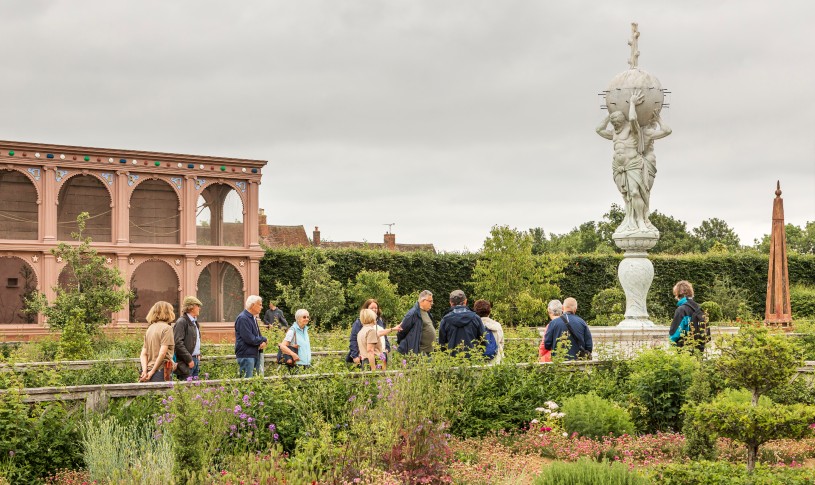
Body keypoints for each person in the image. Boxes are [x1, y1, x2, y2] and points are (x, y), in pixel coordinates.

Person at [596, 90, 662, 235]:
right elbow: (599, 129)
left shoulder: (633, 129)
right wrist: (610, 112)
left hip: (633, 164)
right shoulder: (614, 132)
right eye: (613, 123)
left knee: (634, 192)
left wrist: (632, 103)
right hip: (618, 166)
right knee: (626, 196)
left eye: (616, 122)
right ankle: (629, 218)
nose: (615, 124)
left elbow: (633, 118)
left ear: (622, 120)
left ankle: (640, 220)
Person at [438, 290, 486, 356]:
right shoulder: (476, 318)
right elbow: (484, 340)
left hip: (452, 361)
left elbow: (441, 344)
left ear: (451, 303)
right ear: (465, 301)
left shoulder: (445, 320)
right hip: (473, 360)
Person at [347, 299, 393, 365]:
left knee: (382, 374)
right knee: (369, 372)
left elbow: (383, 335)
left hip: (380, 353)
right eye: (372, 308)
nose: (374, 310)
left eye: (376, 308)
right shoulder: (360, 322)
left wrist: (387, 348)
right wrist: (355, 355)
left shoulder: (379, 321)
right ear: (366, 309)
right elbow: (353, 339)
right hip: (366, 355)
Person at [139, 301, 176, 382]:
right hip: (161, 371)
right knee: (162, 394)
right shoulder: (167, 328)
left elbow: (143, 354)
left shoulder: (150, 328)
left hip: (147, 370)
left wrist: (145, 371)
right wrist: (152, 372)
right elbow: (162, 353)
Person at [669, 280, 709, 352]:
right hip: (699, 348)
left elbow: (675, 333)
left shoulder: (682, 309)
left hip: (685, 349)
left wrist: (671, 343)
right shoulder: (699, 308)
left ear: (678, 294)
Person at [235, 295, 268, 378]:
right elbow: (250, 339)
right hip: (246, 355)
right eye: (260, 305)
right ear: (253, 305)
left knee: (256, 382)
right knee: (247, 384)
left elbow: (257, 336)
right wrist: (264, 339)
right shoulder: (243, 318)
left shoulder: (252, 318)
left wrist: (263, 342)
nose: (262, 307)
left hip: (254, 354)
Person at [396, 290, 435, 355]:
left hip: (429, 353)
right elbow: (401, 331)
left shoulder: (427, 313)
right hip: (419, 353)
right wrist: (406, 345)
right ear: (423, 301)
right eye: (430, 301)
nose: (432, 303)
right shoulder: (413, 314)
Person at [173, 296, 203, 380]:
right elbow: (178, 343)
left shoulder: (194, 322)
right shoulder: (182, 322)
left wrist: (198, 355)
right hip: (186, 363)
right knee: (186, 390)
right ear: (191, 307)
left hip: (195, 360)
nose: (199, 308)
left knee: (195, 391)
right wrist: (189, 359)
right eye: (198, 306)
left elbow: (195, 341)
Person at [473, 299, 504, 364]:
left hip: (478, 362)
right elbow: (501, 343)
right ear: (489, 311)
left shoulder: (473, 326)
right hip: (496, 362)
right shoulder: (497, 325)